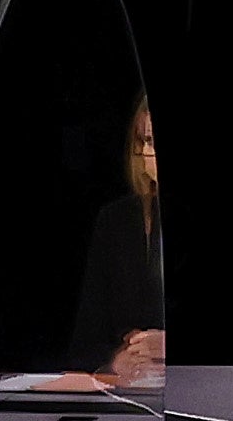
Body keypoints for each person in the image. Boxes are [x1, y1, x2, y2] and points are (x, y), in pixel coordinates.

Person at [67, 98, 165, 380]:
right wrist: (116, 360)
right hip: (130, 394)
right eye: (148, 141)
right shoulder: (116, 221)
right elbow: (85, 343)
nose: (151, 154)